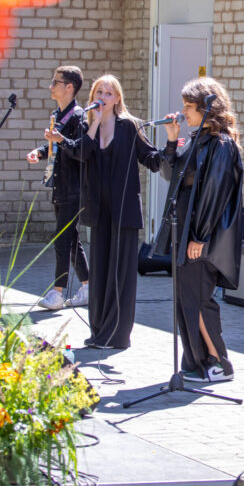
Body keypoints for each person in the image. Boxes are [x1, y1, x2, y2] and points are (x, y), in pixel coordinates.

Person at [48, 75, 167, 349]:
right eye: (98, 92)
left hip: (124, 212)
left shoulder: (130, 126)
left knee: (120, 275)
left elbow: (151, 159)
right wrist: (94, 124)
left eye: (108, 93)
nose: (102, 97)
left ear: (117, 99)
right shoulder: (86, 125)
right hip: (98, 212)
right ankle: (99, 332)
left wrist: (171, 145)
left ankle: (118, 336)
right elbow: (81, 153)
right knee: (100, 274)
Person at [154, 77, 244, 383]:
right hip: (185, 233)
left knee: (199, 300)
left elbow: (215, 194)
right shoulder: (197, 140)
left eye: (188, 106)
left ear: (207, 108)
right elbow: (170, 174)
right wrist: (171, 140)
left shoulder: (221, 145)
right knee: (186, 300)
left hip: (201, 237)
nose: (183, 112)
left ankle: (220, 362)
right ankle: (196, 361)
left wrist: (200, 237)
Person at [27, 66, 89, 310]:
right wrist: (41, 151)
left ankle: (58, 293)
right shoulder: (58, 114)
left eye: (56, 82)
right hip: (60, 186)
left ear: (69, 87)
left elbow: (81, 150)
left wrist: (60, 140)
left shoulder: (79, 117)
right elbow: (57, 146)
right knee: (70, 240)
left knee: (62, 239)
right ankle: (88, 287)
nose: (51, 86)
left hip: (74, 188)